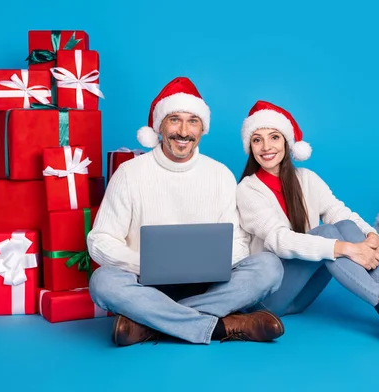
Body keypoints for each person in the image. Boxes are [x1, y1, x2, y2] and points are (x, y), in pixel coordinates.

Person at [235, 100, 379, 349]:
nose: (266, 147)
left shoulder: (306, 179)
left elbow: (338, 211)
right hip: (269, 301)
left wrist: (371, 237)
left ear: (286, 143)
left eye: (274, 137)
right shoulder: (248, 190)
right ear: (250, 146)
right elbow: (280, 241)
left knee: (344, 224)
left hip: (301, 296)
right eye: (257, 139)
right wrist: (346, 248)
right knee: (327, 234)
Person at [87, 79, 285, 347]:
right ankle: (224, 326)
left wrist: (207, 267)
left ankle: (149, 322)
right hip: (145, 285)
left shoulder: (220, 175)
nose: (183, 131)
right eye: (174, 120)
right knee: (102, 282)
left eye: (192, 121)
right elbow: (100, 240)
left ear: (202, 128)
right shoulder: (129, 174)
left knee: (269, 267)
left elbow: (238, 243)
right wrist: (146, 266)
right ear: (159, 127)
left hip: (208, 286)